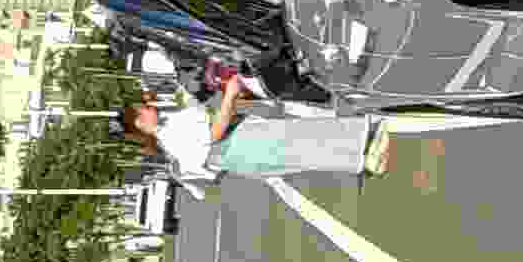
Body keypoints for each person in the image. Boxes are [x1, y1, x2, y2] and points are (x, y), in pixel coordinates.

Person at [125, 65, 387, 190]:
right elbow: (214, 134)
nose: (148, 107)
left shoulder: (169, 127)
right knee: (305, 146)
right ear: (140, 123)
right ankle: (364, 152)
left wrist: (230, 102)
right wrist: (230, 96)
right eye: (142, 109)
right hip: (244, 147)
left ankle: (364, 145)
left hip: (245, 143)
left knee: (305, 142)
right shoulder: (170, 136)